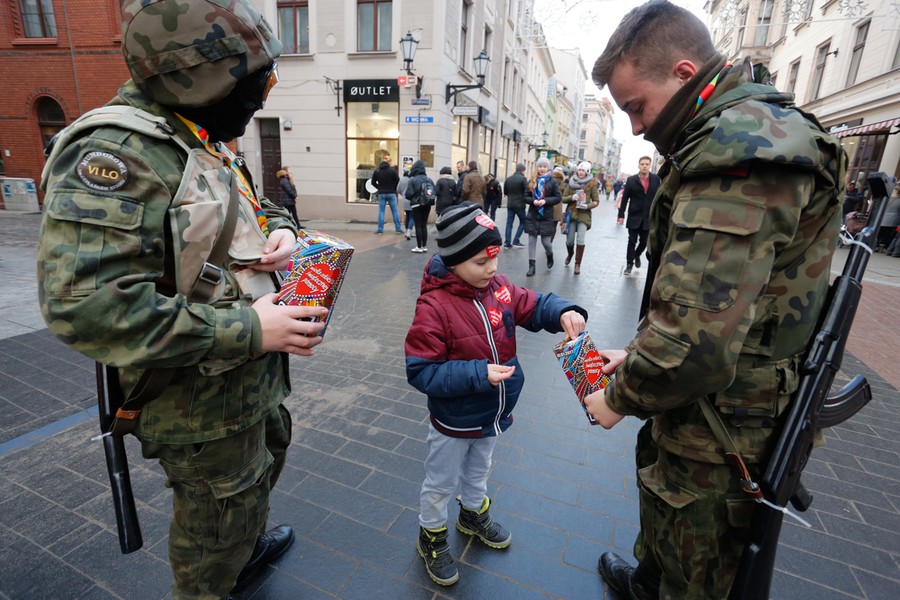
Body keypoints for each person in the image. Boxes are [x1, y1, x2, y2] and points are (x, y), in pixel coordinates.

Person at [36, 1, 333, 598]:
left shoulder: (198, 132)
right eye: (253, 85)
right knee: (211, 531)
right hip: (198, 399)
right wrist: (248, 331)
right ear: (194, 78)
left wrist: (282, 231)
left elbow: (248, 208)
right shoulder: (121, 152)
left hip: (247, 385)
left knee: (255, 480)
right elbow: (87, 307)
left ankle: (243, 554)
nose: (260, 100)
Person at [584, 2, 846, 599]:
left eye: (636, 107)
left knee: (698, 569)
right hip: (715, 404)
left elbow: (696, 345)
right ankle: (649, 582)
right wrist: (644, 351)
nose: (636, 128)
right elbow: (715, 302)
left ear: (682, 73)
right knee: (670, 525)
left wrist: (619, 400)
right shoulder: (735, 132)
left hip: (725, 415)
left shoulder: (740, 149)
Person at [405, 202, 588, 586]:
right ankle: (432, 534)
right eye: (480, 261)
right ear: (454, 261)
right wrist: (477, 374)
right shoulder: (433, 306)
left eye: (494, 256)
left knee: (479, 470)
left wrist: (563, 312)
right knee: (440, 481)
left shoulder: (499, 288)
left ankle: (472, 513)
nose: (491, 268)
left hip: (491, 413)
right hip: (453, 421)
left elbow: (532, 303)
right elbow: (421, 370)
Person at [618, 156, 660, 275]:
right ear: (638, 165)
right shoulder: (631, 180)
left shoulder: (656, 179)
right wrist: (621, 215)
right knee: (631, 240)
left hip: (648, 217)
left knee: (644, 241)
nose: (644, 166)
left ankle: (637, 254)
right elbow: (625, 198)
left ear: (650, 165)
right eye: (642, 164)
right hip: (634, 215)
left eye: (647, 164)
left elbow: (658, 197)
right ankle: (629, 264)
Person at [561, 161, 600, 274]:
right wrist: (571, 197)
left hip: (584, 216)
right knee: (569, 241)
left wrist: (587, 206)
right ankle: (570, 254)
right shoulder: (571, 182)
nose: (581, 172)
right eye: (579, 170)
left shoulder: (592, 184)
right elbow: (563, 199)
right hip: (571, 215)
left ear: (587, 172)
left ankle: (577, 264)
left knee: (580, 240)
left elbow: (596, 201)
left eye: (583, 170)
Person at [524, 157, 561, 276]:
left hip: (546, 216)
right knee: (531, 241)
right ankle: (532, 267)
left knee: (546, 243)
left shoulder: (552, 181)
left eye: (544, 166)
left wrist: (545, 201)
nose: (542, 169)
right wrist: (533, 201)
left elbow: (558, 197)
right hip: (533, 215)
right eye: (540, 166)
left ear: (548, 168)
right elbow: (525, 196)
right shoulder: (532, 180)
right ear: (537, 167)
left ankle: (550, 255)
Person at [405, 160, 436, 253]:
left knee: (418, 225)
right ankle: (424, 246)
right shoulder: (428, 179)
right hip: (427, 204)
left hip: (416, 204)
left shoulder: (412, 180)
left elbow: (408, 194)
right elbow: (434, 191)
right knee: (424, 225)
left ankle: (419, 247)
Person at [372, 153, 403, 234]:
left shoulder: (377, 171)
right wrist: (394, 188)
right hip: (391, 193)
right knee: (395, 211)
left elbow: (373, 182)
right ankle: (398, 229)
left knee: (381, 212)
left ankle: (380, 230)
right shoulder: (392, 171)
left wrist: (379, 188)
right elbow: (397, 181)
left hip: (381, 194)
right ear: (389, 162)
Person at [502, 163, 528, 248]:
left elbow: (505, 192)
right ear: (522, 170)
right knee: (523, 222)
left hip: (510, 204)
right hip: (520, 205)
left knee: (509, 223)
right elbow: (526, 192)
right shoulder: (523, 179)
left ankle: (507, 243)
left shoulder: (508, 179)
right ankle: (516, 240)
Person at [398, 169, 413, 239]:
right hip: (412, 200)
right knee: (412, 217)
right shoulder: (412, 180)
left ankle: (406, 231)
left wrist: (403, 194)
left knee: (407, 216)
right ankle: (409, 233)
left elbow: (398, 189)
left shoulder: (401, 180)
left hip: (404, 200)